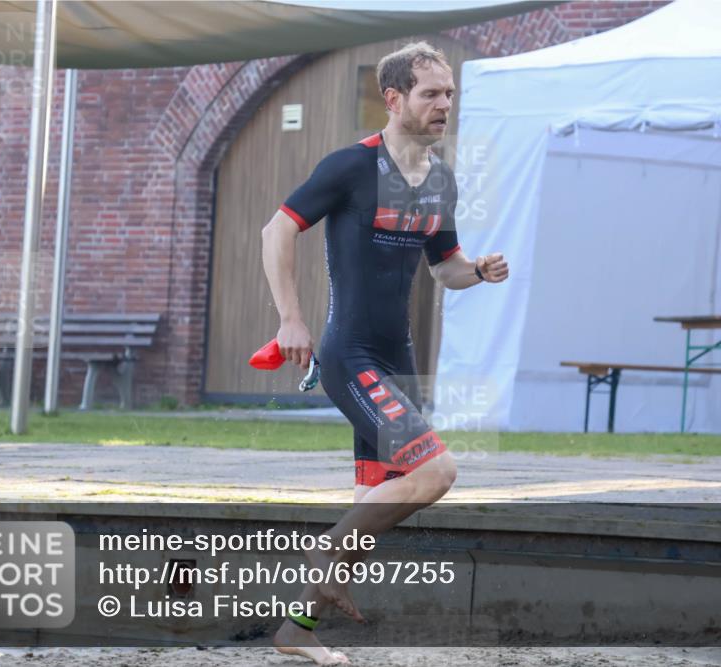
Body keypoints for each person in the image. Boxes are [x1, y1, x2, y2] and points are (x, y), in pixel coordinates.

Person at [261, 41, 509, 665]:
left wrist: (478, 271)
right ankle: (323, 555)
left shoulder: (441, 180)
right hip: (352, 356)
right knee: (437, 472)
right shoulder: (352, 166)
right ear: (394, 98)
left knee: (373, 511)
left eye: (449, 93)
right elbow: (277, 229)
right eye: (431, 93)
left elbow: (445, 268)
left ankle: (297, 631)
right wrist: (291, 318)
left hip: (397, 360)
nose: (444, 104)